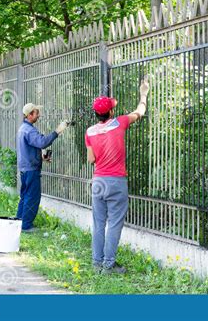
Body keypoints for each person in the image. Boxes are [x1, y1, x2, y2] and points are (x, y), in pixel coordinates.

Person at [85, 80, 150, 274]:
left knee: (99, 223)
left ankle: (97, 262)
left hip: (98, 182)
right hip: (116, 181)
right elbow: (140, 112)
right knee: (114, 223)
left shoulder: (89, 131)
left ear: (96, 114)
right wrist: (144, 94)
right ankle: (109, 265)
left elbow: (91, 160)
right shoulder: (120, 122)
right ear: (111, 112)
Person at [16, 103, 69, 233]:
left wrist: (41, 157)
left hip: (25, 168)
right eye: (36, 112)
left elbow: (30, 147)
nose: (38, 115)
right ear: (29, 115)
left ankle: (18, 222)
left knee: (25, 196)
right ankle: (26, 226)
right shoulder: (29, 130)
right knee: (32, 197)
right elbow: (43, 142)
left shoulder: (23, 128)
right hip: (31, 169)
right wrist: (58, 131)